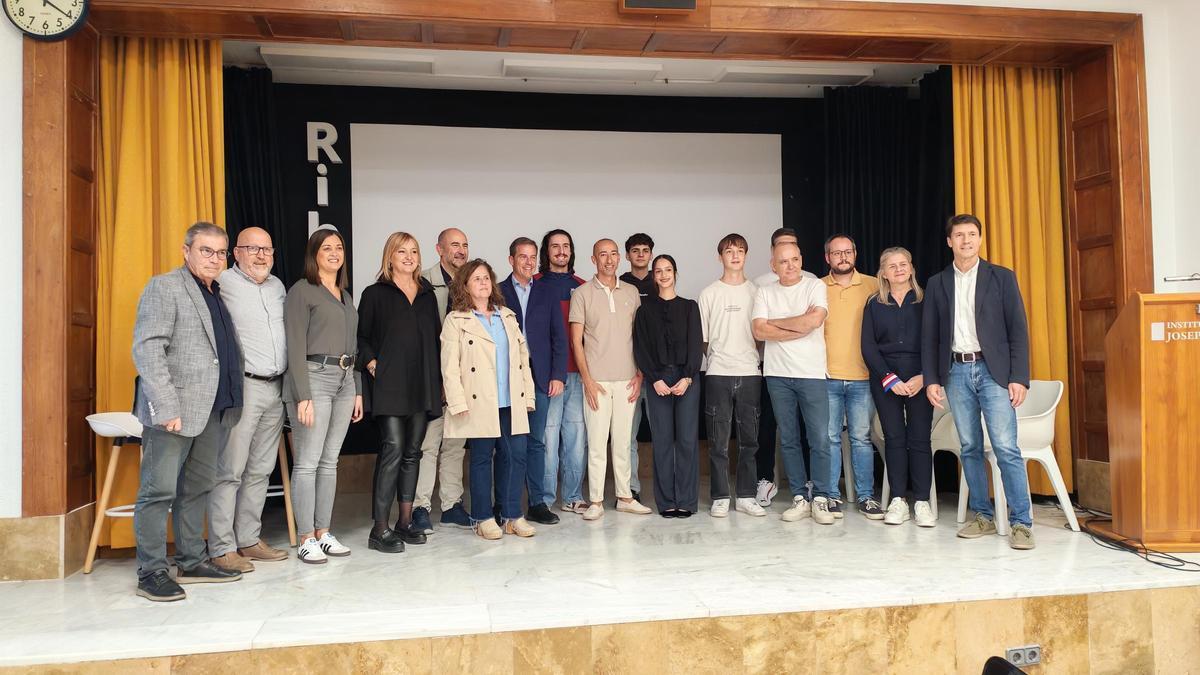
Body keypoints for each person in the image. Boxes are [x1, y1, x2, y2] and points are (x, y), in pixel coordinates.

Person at [131, 221, 244, 601]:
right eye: (205, 251)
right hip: (174, 412)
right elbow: (148, 349)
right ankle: (151, 572)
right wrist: (165, 406)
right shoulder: (165, 287)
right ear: (186, 251)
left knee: (196, 489)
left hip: (213, 409)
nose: (214, 259)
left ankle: (193, 559)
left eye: (220, 252)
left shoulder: (217, 293)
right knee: (158, 491)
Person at [922, 214, 1034, 549]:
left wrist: (1019, 377)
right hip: (955, 372)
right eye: (959, 235)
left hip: (993, 372)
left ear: (980, 240)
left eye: (972, 234)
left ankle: (1021, 523)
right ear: (949, 242)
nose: (966, 241)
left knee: (1005, 448)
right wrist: (931, 379)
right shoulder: (938, 283)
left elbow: (1018, 330)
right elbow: (929, 337)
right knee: (969, 447)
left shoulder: (1001, 277)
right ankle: (983, 516)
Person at [207, 227, 288, 574]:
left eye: (267, 249)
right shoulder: (222, 283)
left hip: (276, 388)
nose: (260, 255)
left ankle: (249, 540)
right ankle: (222, 548)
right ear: (235, 253)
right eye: (252, 248)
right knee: (231, 470)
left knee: (260, 469)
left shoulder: (278, 287)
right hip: (243, 387)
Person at [358, 231, 442, 553]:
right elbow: (362, 337)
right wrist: (372, 363)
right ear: (389, 257)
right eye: (401, 251)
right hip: (390, 385)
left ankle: (404, 523)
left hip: (422, 384)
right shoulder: (375, 294)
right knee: (393, 447)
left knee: (413, 451)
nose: (408, 257)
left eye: (414, 251)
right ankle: (379, 529)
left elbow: (434, 341)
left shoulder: (426, 294)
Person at [441, 259, 538, 540]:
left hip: (511, 398)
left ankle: (511, 515)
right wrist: (457, 402)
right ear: (465, 286)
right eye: (476, 279)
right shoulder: (456, 320)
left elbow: (522, 360)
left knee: (516, 456)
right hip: (478, 401)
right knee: (482, 458)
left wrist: (528, 396)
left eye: (486, 278)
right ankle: (483, 517)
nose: (483, 283)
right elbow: (449, 366)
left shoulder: (507, 316)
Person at [285, 228, 364, 564]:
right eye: (326, 248)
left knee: (329, 461)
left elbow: (355, 346)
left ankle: (323, 532)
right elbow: (295, 345)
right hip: (313, 379)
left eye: (339, 247)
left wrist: (357, 388)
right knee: (307, 462)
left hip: (345, 380)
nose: (334, 253)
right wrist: (302, 395)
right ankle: (305, 537)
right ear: (313, 254)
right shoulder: (302, 292)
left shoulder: (345, 295)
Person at [570, 238, 653, 520]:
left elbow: (640, 337)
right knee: (596, 443)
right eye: (602, 254)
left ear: (620, 258)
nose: (609, 259)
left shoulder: (631, 292)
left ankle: (625, 497)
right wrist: (588, 380)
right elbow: (576, 341)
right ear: (593, 260)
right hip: (598, 383)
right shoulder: (581, 293)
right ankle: (595, 501)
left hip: (628, 379)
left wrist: (640, 373)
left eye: (613, 254)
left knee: (622, 443)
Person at [752, 242, 835, 525]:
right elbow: (759, 330)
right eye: (783, 261)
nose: (790, 265)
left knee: (820, 439)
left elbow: (813, 322)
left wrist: (778, 325)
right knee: (788, 439)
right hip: (777, 375)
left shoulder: (814, 286)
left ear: (802, 260)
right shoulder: (764, 291)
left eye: (795, 259)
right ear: (773, 265)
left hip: (812, 373)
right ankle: (800, 497)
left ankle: (821, 497)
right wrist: (797, 325)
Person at [862, 247, 936, 527]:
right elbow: (868, 347)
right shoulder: (873, 303)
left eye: (903, 264)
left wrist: (925, 377)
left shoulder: (927, 299)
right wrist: (890, 379)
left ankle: (922, 501)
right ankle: (898, 501)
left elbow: (937, 342)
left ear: (912, 268)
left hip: (920, 377)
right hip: (886, 379)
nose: (899, 269)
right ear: (883, 273)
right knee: (894, 438)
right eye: (892, 266)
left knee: (919, 439)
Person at [698, 234, 767, 518]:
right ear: (720, 257)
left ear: (746, 255)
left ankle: (747, 496)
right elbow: (703, 339)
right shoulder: (709, 293)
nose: (735, 255)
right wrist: (718, 357)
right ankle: (720, 496)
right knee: (718, 440)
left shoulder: (757, 292)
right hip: (718, 373)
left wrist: (749, 354)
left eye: (740, 251)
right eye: (729, 251)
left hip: (750, 372)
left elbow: (761, 335)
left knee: (750, 439)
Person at [499, 237, 566, 526]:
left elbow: (558, 337)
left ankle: (537, 503)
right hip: (507, 377)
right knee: (506, 444)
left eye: (532, 257)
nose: (528, 262)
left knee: (536, 442)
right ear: (511, 259)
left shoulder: (547, 292)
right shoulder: (497, 291)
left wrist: (558, 375)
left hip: (539, 377)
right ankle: (502, 502)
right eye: (522, 257)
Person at [634, 254, 703, 517]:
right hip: (658, 380)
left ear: (675, 273)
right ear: (653, 275)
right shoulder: (645, 310)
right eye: (658, 271)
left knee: (686, 441)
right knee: (662, 442)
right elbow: (641, 348)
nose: (663, 275)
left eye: (668, 270)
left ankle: (686, 501)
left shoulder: (689, 307)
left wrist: (687, 378)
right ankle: (666, 503)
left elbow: (696, 344)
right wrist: (655, 379)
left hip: (687, 380)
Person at [414, 228, 472, 532]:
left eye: (464, 245)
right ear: (439, 249)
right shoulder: (421, 281)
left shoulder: (472, 282)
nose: (460, 251)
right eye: (454, 245)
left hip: (463, 381)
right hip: (432, 378)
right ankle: (420, 506)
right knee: (428, 445)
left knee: (454, 446)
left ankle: (451, 505)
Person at [821, 234, 882, 521]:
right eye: (837, 253)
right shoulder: (817, 288)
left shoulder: (873, 285)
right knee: (830, 438)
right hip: (827, 376)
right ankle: (832, 495)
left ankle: (866, 497)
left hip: (863, 377)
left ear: (855, 254)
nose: (843, 257)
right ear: (827, 258)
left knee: (861, 438)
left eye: (847, 252)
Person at [534, 229, 589, 514]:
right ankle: (543, 499)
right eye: (555, 246)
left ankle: (572, 495)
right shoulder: (534, 285)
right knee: (547, 437)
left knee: (576, 437)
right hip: (548, 376)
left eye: (566, 246)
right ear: (546, 252)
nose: (561, 251)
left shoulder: (583, 287)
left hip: (578, 375)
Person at [620, 233, 655, 502]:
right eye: (635, 250)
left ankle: (666, 487)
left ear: (651, 254)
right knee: (627, 436)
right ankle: (631, 488)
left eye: (645, 250)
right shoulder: (620, 284)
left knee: (663, 434)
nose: (640, 254)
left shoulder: (661, 280)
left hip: (657, 373)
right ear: (628, 255)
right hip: (628, 372)